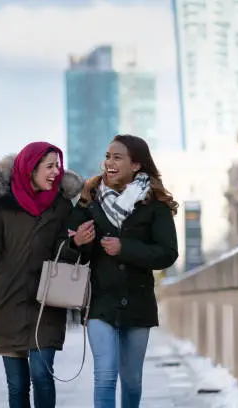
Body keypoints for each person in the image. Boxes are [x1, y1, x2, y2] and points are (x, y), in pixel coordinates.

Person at [0, 142, 84, 408]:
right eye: (50, 166)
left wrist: (75, 244)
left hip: (46, 302)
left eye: (58, 166)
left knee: (42, 374)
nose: (56, 172)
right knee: (17, 385)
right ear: (31, 169)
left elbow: (62, 253)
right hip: (7, 301)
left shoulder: (61, 205)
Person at [67, 134, 178, 408]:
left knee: (132, 381)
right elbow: (68, 248)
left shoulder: (155, 204)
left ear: (136, 165)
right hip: (101, 303)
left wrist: (124, 248)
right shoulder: (88, 199)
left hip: (137, 303)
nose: (109, 162)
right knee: (104, 377)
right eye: (107, 156)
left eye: (117, 157)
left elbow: (167, 253)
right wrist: (77, 242)